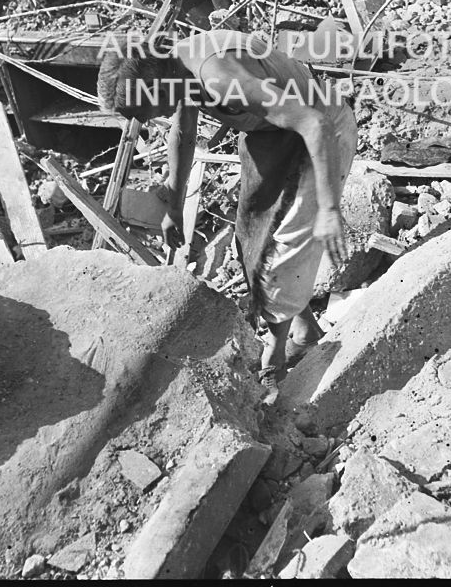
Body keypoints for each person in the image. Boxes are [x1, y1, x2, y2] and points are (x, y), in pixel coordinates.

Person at [97, 28, 358, 400]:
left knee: (287, 242)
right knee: (252, 240)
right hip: (271, 131)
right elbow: (184, 134)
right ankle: (303, 331)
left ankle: (275, 356)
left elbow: (312, 123)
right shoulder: (176, 69)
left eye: (147, 110)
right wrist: (174, 207)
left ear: (160, 84)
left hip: (322, 125)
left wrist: (330, 207)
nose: (148, 119)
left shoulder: (219, 75)